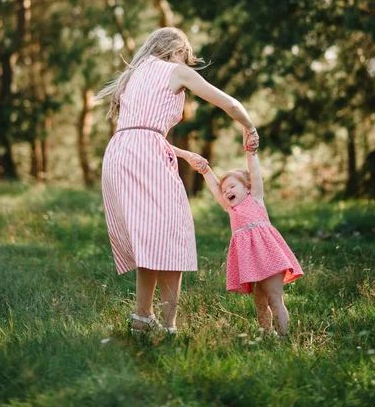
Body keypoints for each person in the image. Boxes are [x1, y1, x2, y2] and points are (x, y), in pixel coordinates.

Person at [96, 27, 259, 335]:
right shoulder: (176, 71)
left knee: (150, 237)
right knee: (173, 231)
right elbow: (227, 102)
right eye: (186, 55)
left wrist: (183, 155)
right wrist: (249, 125)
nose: (187, 61)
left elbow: (140, 130)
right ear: (177, 51)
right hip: (146, 153)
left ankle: (142, 318)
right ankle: (168, 326)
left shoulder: (135, 74)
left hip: (120, 151)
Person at [196, 144, 303, 336]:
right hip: (251, 262)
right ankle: (266, 334)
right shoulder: (231, 209)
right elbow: (214, 188)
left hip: (270, 256)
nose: (227, 190)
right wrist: (205, 170)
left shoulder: (255, 198)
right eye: (224, 188)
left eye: (232, 186)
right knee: (259, 301)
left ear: (247, 188)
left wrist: (250, 151)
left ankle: (284, 337)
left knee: (274, 299)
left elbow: (254, 171)